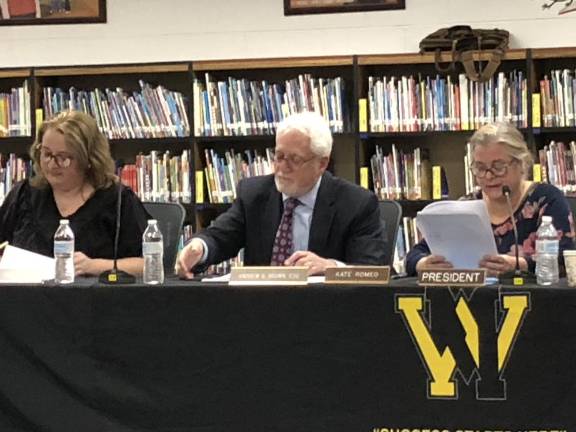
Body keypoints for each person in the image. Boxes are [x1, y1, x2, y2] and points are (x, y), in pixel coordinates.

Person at [176, 111, 387, 278]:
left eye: (294, 160)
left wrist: (330, 267)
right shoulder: (253, 194)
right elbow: (221, 237)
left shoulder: (356, 203)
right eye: (278, 156)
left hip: (325, 311)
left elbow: (371, 270)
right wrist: (198, 248)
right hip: (261, 310)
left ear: (321, 163)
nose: (281, 168)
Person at [406, 122, 575, 277]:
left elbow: (565, 260)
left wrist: (520, 265)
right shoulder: (466, 205)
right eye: (480, 168)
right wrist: (424, 264)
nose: (488, 176)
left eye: (498, 167)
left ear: (521, 163)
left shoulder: (547, 199)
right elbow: (413, 256)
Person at [0, 111, 150, 277]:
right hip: (25, 299)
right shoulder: (23, 194)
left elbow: (149, 263)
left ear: (88, 160)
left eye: (63, 158)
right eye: (47, 154)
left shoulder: (118, 200)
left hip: (93, 300)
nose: (51, 164)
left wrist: (95, 266)